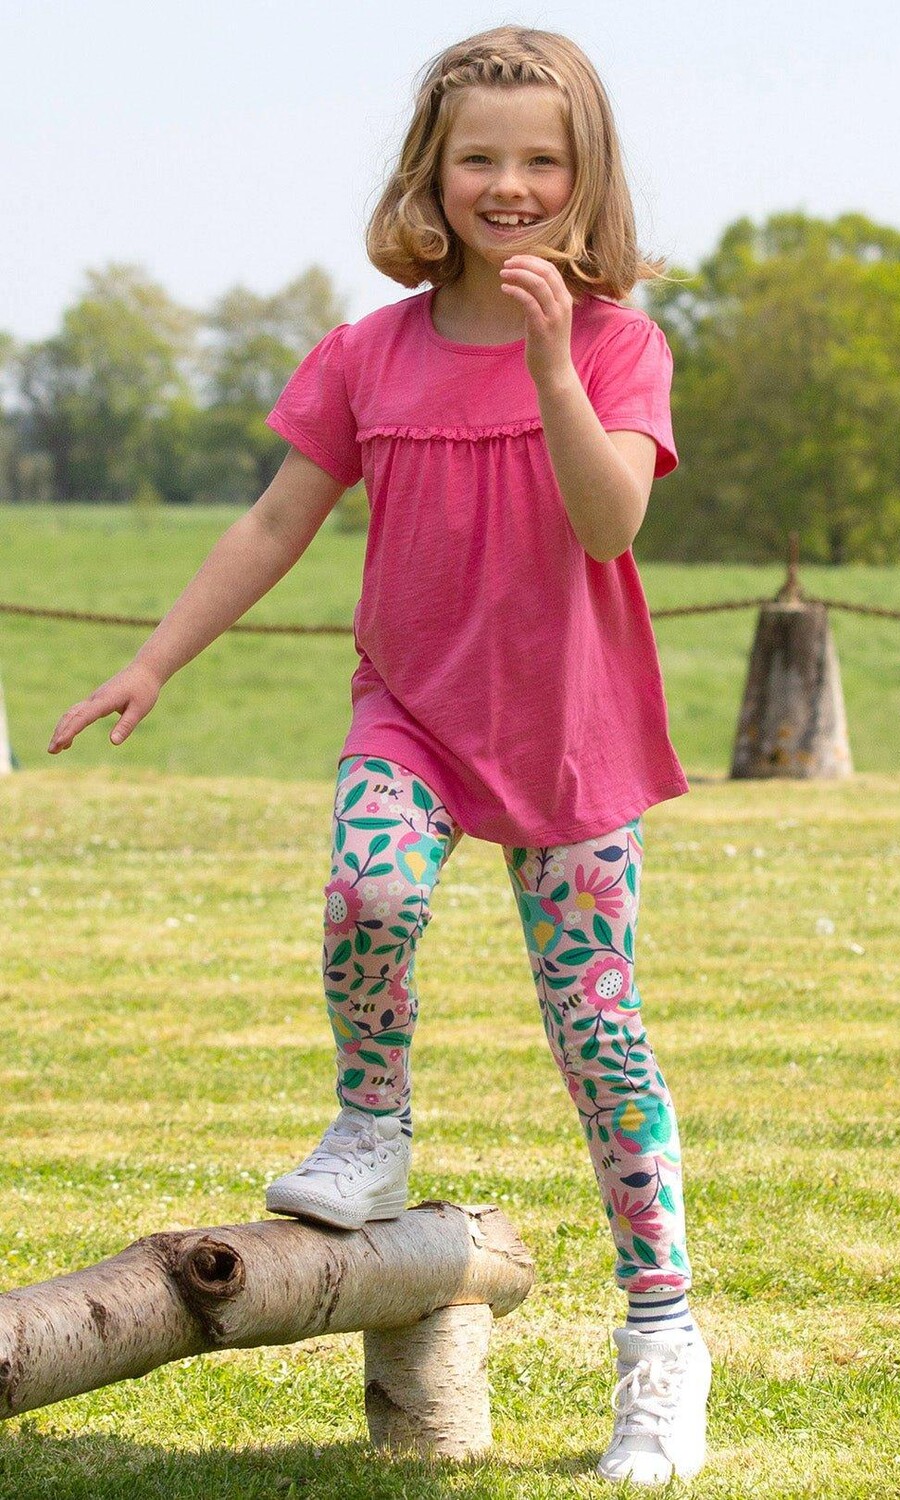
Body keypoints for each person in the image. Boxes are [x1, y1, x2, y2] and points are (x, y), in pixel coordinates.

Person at [48, 25, 711, 1486]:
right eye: (480, 158)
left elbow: (610, 522)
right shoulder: (369, 353)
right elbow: (275, 521)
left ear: (587, 176)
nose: (510, 185)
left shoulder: (621, 346)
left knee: (599, 1041)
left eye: (542, 160)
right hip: (409, 710)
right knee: (368, 894)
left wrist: (552, 365)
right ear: (433, 172)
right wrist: (153, 660)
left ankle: (663, 1336)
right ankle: (371, 1123)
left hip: (572, 730)